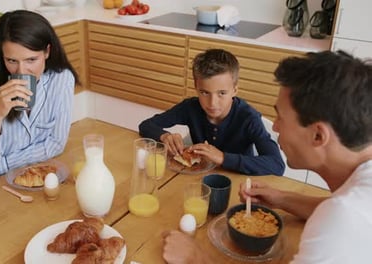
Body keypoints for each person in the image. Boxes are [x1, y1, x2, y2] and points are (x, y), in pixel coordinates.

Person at [162, 50, 372, 263]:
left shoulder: (345, 218)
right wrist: (282, 198)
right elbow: (330, 209)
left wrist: (196, 258)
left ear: (318, 135)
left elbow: (338, 216)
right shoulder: (351, 200)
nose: (275, 126)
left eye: (280, 117)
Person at [0, 10, 80, 186]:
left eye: (31, 60)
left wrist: (3, 165)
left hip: (37, 176)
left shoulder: (62, 80)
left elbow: (56, 144)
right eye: (11, 61)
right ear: (1, 56)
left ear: (47, 52)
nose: (21, 72)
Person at [139, 49, 285, 176]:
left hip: (237, 181)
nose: (212, 103)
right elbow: (146, 125)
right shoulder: (190, 107)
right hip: (198, 178)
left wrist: (222, 157)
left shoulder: (249, 118)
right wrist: (164, 136)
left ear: (235, 90)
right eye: (204, 92)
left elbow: (277, 165)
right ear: (196, 87)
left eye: (222, 93)